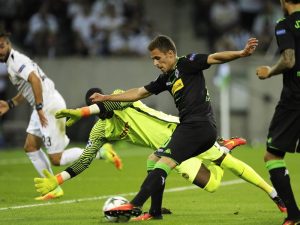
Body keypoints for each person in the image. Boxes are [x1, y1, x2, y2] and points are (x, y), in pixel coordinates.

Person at [34, 87, 286, 220]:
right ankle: (154, 211)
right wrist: (58, 180)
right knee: (192, 177)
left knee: (224, 168)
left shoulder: (121, 97)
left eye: (98, 99)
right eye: (92, 101)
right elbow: (86, 159)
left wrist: (82, 111)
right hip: (168, 150)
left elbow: (109, 102)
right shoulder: (101, 130)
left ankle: (274, 193)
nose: (98, 103)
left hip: (182, 132)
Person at [85, 35, 266, 220]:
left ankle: (135, 204)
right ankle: (154, 211)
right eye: (153, 59)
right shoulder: (166, 78)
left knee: (164, 163)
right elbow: (138, 92)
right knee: (153, 160)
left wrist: (242, 53)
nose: (155, 63)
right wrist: (107, 98)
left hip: (199, 126)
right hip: (188, 127)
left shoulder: (188, 62)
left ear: (170, 54)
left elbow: (215, 57)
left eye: (157, 58)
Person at [0, 30, 121, 201]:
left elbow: (35, 80)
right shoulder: (13, 61)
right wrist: (11, 103)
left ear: (8, 44)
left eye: (2, 46)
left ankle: (100, 151)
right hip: (42, 105)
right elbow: (29, 88)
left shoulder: (15, 61)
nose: (0, 50)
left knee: (57, 158)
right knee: (30, 147)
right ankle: (53, 187)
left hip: (48, 106)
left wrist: (40, 107)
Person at [256, 1, 300, 224]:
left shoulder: (284, 24)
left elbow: (288, 60)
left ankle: (293, 215)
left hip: (295, 100)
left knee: (272, 155)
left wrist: (269, 72)